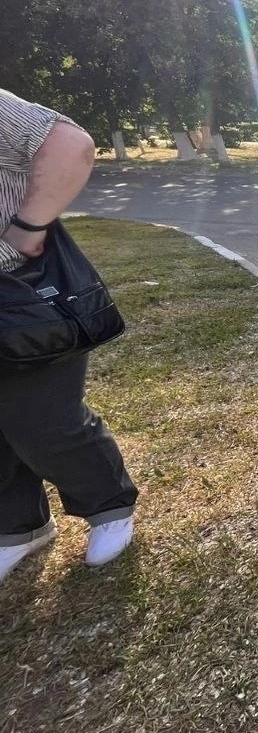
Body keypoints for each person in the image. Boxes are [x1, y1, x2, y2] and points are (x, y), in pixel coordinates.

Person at [0, 88, 137, 583]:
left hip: (17, 292)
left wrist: (27, 226)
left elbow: (69, 145)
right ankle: (18, 528)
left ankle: (109, 507)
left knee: (44, 419)